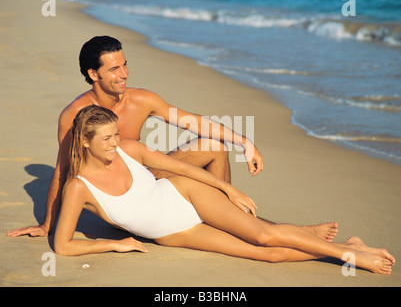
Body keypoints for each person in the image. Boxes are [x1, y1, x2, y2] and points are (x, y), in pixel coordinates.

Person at [54, 105, 395, 275]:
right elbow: (64, 246)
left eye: (116, 134)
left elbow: (179, 168)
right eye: (107, 139)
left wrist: (225, 189)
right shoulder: (78, 187)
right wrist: (115, 245)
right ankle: (347, 245)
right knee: (268, 254)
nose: (116, 143)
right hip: (177, 232)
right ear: (85, 142)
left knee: (263, 235)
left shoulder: (129, 148)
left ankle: (352, 257)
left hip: (184, 193)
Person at [7, 35, 263, 238]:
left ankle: (227, 219)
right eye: (114, 69)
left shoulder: (141, 99)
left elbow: (192, 122)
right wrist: (47, 225)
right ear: (94, 74)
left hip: (146, 182)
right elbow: (63, 170)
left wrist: (244, 141)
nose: (124, 74)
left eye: (125, 65)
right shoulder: (75, 115)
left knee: (214, 146)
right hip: (119, 203)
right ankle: (229, 222)